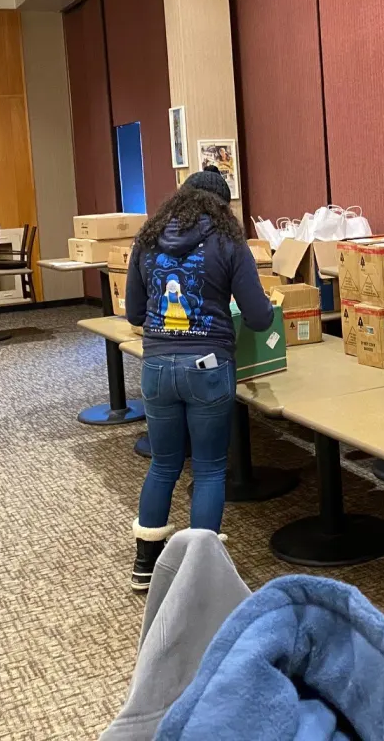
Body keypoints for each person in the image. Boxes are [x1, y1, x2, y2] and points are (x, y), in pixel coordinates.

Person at [124, 166, 273, 592]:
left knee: (164, 463)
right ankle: (197, 573)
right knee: (208, 470)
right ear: (223, 208)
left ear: (180, 199)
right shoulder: (229, 241)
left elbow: (134, 314)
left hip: (155, 366)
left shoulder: (147, 241)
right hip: (208, 366)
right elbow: (261, 318)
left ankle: (145, 564)